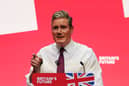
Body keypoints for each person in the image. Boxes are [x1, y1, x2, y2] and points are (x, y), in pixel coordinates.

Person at [26, 10, 103, 86]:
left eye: (63, 27)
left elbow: (97, 83)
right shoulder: (43, 53)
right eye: (55, 28)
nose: (59, 31)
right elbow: (30, 84)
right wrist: (36, 72)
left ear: (71, 29)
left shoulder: (86, 53)